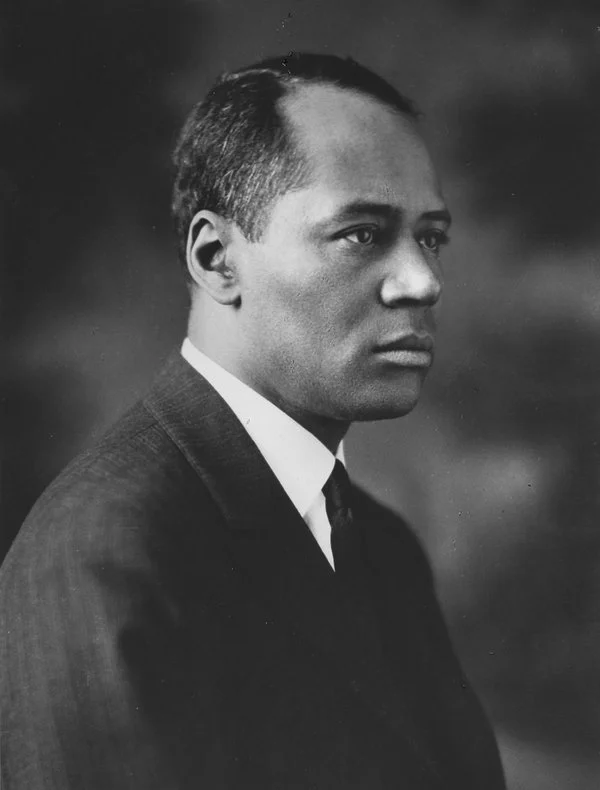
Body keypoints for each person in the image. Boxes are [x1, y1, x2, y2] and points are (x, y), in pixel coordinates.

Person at [0, 53, 506, 789]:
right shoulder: (104, 555)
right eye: (363, 233)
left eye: (431, 236)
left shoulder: (382, 544)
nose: (424, 281)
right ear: (216, 259)